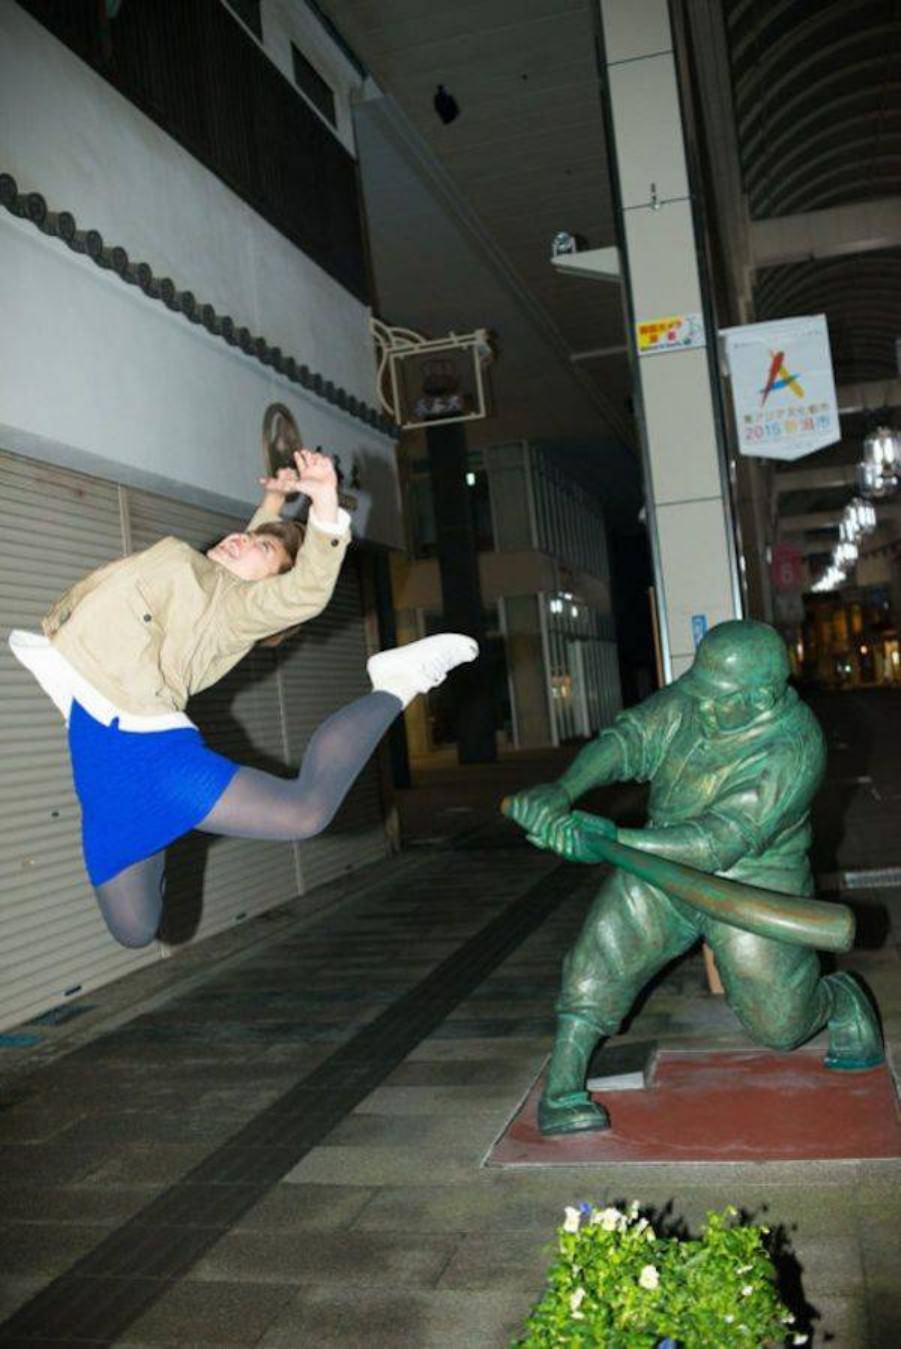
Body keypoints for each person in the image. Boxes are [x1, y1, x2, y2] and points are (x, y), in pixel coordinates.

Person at [10, 449, 477, 949]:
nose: (243, 541)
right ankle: (174, 817)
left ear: (266, 592)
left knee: (303, 813)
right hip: (109, 762)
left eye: (261, 550)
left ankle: (395, 684)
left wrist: (324, 508)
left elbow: (303, 593)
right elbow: (250, 556)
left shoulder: (234, 611)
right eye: (249, 537)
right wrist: (271, 505)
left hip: (145, 756)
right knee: (136, 927)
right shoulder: (210, 581)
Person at [505, 619, 883, 1136]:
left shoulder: (794, 746)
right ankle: (564, 1087)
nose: (698, 706)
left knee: (780, 1026)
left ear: (761, 698)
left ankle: (839, 998)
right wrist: (563, 791)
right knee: (601, 951)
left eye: (715, 700)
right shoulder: (697, 695)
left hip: (750, 882)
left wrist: (610, 840)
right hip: (661, 859)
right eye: (697, 691)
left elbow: (716, 840)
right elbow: (629, 740)